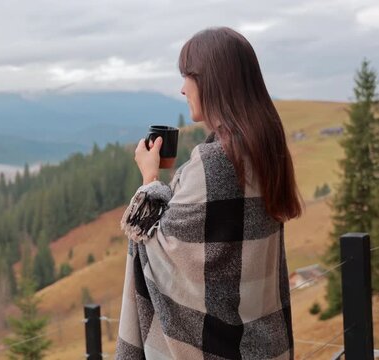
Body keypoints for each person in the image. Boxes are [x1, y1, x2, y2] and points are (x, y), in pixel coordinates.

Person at [115, 27, 303, 359]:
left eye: (188, 76)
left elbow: (156, 246)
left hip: (218, 349)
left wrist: (149, 177)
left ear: (212, 81)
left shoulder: (215, 161)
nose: (182, 87)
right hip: (264, 341)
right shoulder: (262, 148)